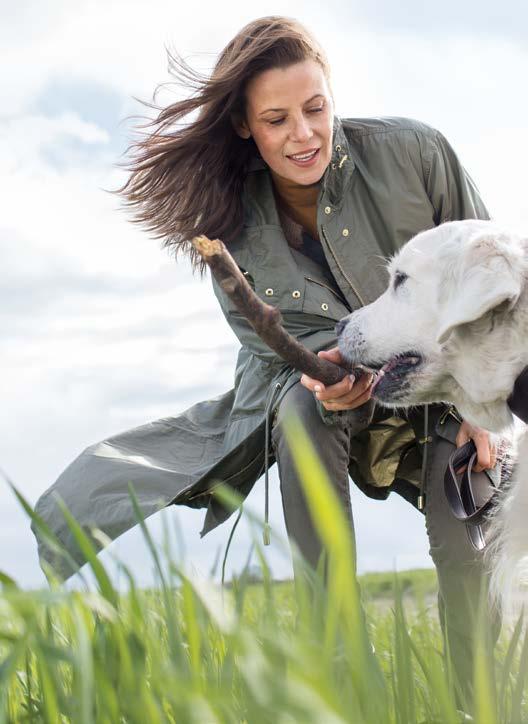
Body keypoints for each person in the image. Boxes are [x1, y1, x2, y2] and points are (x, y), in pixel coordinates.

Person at [32, 16, 503, 708]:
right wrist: (324, 375)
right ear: (247, 127)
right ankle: (342, 692)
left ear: (332, 94)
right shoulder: (227, 226)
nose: (304, 134)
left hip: (446, 384)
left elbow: (489, 275)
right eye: (278, 120)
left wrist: (482, 409)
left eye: (315, 109)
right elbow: (274, 352)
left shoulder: (415, 152)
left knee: (463, 521)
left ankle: (483, 704)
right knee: (304, 410)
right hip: (317, 389)